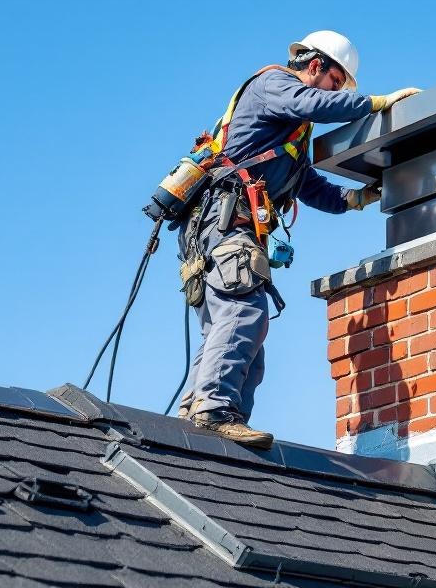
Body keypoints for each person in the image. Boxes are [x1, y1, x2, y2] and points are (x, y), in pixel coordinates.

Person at [175, 30, 420, 448]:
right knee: (242, 317)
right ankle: (213, 411)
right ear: (315, 65)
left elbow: (304, 181)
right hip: (225, 226)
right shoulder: (275, 85)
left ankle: (199, 418)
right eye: (337, 82)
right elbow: (314, 104)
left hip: (220, 231)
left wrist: (355, 199)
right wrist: (375, 104)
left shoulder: (289, 130)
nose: (336, 92)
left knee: (240, 336)